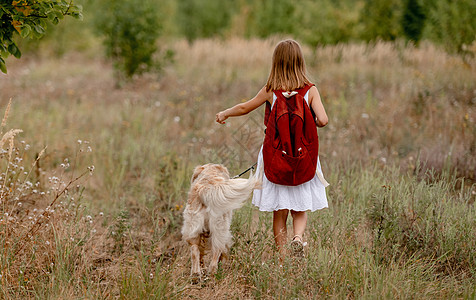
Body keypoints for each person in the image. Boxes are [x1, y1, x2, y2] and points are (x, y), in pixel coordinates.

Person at [215, 39, 329, 258]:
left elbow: (244, 107)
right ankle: (298, 238)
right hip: (303, 156)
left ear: (276, 63)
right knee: (299, 207)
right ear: (300, 62)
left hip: (276, 156)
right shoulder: (310, 90)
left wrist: (225, 113)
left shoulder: (270, 90)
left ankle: (282, 257)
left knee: (280, 210)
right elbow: (323, 120)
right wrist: (308, 120)